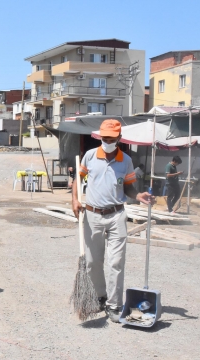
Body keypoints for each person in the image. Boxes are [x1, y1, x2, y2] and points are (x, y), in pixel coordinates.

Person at [72, 119, 154, 323]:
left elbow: (128, 188)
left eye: (111, 138)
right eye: (104, 138)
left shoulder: (126, 160)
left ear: (118, 138)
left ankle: (114, 305)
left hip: (117, 215)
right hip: (92, 215)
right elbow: (78, 179)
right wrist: (74, 199)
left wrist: (138, 195)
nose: (107, 141)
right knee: (92, 262)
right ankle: (100, 296)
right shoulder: (90, 156)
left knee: (116, 262)